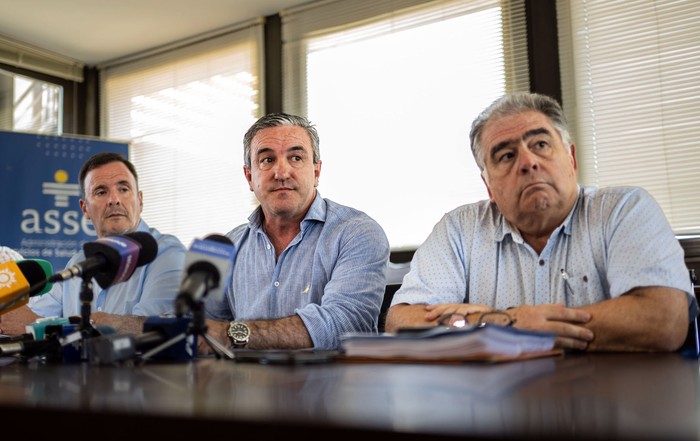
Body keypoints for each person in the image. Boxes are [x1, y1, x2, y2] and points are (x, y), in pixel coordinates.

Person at [385, 92, 697, 352]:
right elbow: (401, 322)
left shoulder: (623, 210)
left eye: (541, 145)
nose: (528, 162)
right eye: (506, 155)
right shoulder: (458, 230)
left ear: (571, 159)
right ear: (488, 186)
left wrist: (506, 327)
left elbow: (662, 320)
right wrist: (503, 323)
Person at [202, 113, 390, 352]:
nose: (281, 172)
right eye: (267, 160)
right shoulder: (222, 246)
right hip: (246, 384)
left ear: (317, 172)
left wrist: (234, 334)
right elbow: (202, 329)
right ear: (249, 177)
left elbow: (346, 325)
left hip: (332, 386)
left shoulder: (358, 232)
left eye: (296, 157)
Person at [1, 152, 186, 335]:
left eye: (123, 189)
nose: (114, 200)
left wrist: (36, 326)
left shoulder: (167, 252)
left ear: (140, 200)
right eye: (101, 192)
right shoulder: (78, 262)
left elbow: (158, 329)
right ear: (85, 209)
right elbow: (35, 316)